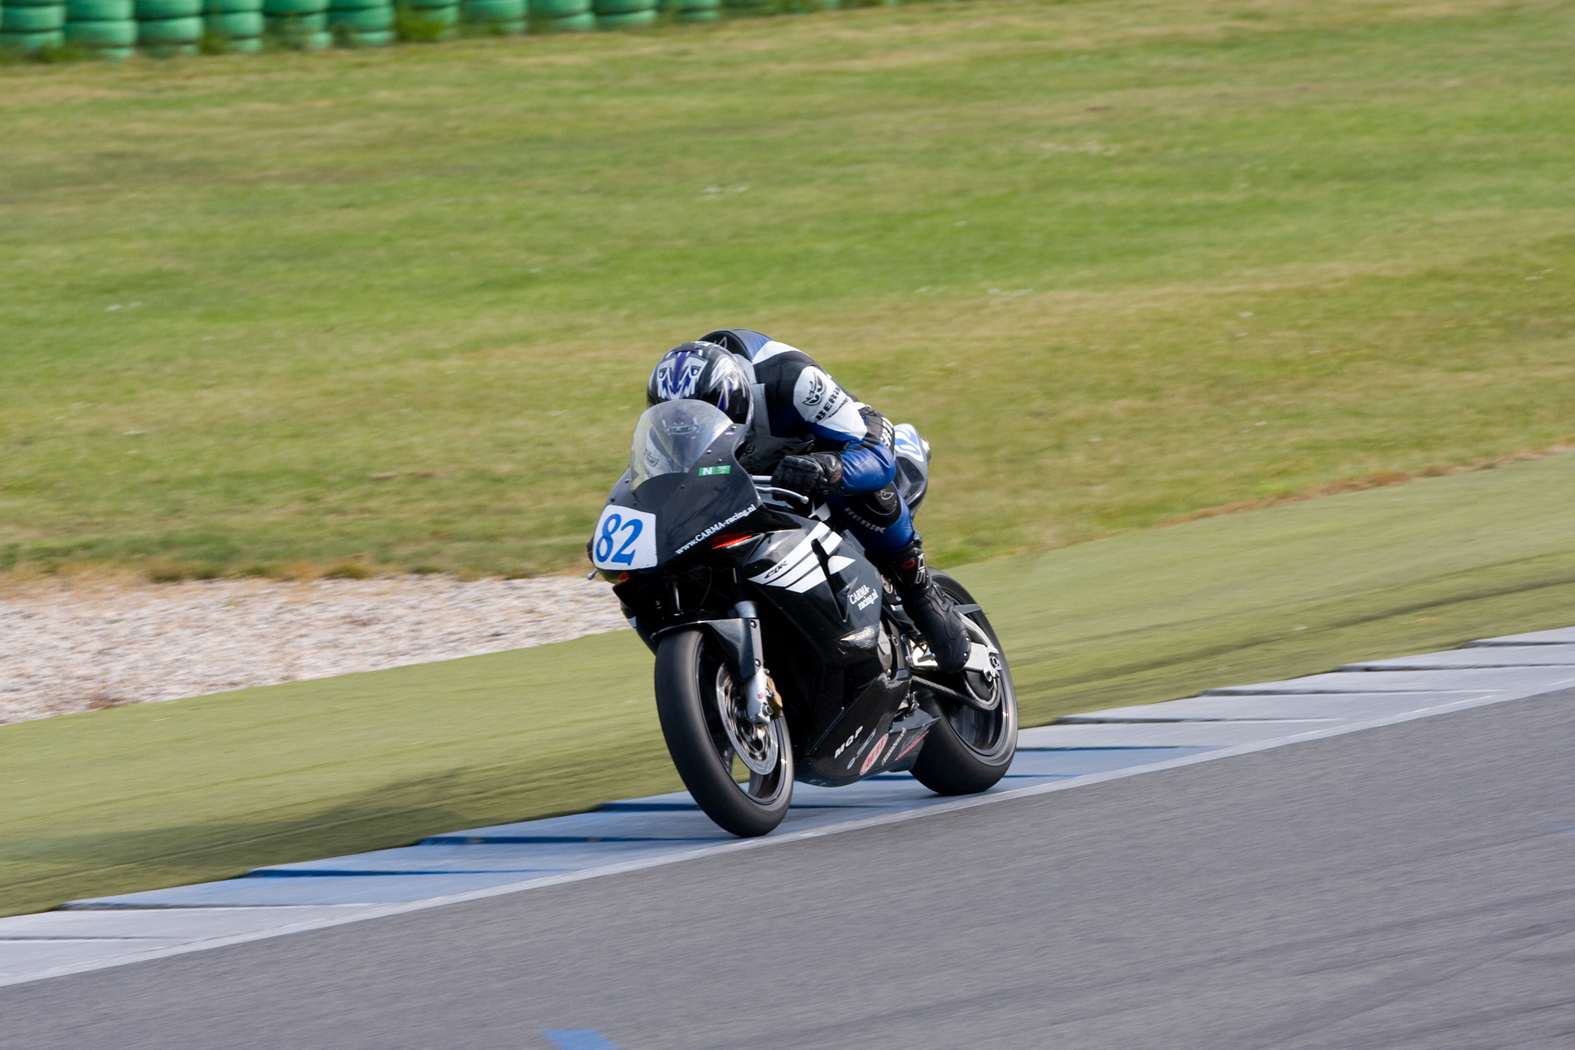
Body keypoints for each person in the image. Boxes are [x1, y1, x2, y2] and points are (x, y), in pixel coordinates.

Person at [644, 329, 970, 672]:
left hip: (837, 441)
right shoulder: (668, 430)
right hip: (752, 471)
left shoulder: (789, 379)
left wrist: (826, 466)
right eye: (681, 423)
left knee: (861, 491)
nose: (690, 429)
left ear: (734, 397)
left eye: (701, 419)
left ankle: (919, 589)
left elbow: (875, 454)